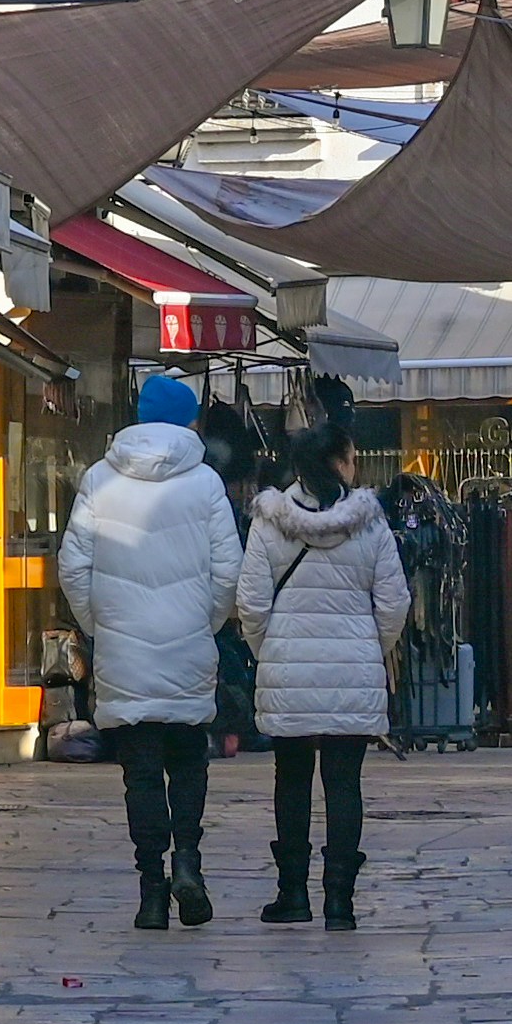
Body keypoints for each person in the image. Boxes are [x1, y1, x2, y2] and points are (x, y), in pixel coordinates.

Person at [57, 375, 236, 930]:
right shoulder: (206, 483)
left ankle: (152, 891)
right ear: (188, 422)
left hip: (123, 647)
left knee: (139, 772)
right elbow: (228, 570)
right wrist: (202, 623)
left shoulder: (98, 479)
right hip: (187, 644)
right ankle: (188, 859)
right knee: (187, 760)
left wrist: (101, 624)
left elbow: (72, 566)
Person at [226, 424, 407, 929]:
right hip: (353, 671)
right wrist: (371, 650)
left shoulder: (269, 523)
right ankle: (340, 902)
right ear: (339, 462)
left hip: (287, 669)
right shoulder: (371, 524)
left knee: (292, 781)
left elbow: (251, 604)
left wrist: (272, 653)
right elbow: (394, 604)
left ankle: (293, 895)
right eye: (351, 456)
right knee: (345, 783)